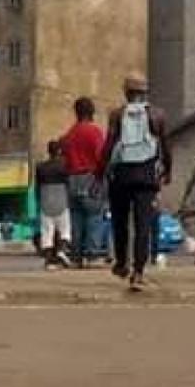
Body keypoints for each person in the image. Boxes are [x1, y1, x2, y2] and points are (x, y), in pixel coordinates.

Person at [103, 74, 172, 293]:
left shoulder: (117, 114)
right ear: (145, 92)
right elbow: (166, 146)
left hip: (122, 175)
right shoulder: (158, 114)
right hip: (146, 176)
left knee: (120, 222)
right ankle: (138, 272)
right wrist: (167, 170)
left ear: (126, 92)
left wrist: (100, 171)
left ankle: (122, 262)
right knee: (143, 225)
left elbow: (109, 144)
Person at [60, 97, 108, 268]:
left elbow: (64, 158)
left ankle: (76, 256)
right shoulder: (94, 132)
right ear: (91, 112)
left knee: (76, 219)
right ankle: (93, 256)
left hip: (72, 179)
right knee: (94, 216)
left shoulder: (69, 135)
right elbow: (101, 157)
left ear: (76, 113)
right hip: (91, 177)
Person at [34, 141, 72, 270]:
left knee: (47, 232)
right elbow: (68, 184)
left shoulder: (40, 167)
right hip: (61, 199)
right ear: (59, 151)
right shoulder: (65, 166)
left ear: (48, 151)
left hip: (46, 200)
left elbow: (37, 186)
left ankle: (49, 261)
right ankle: (62, 250)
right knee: (65, 230)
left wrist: (38, 200)